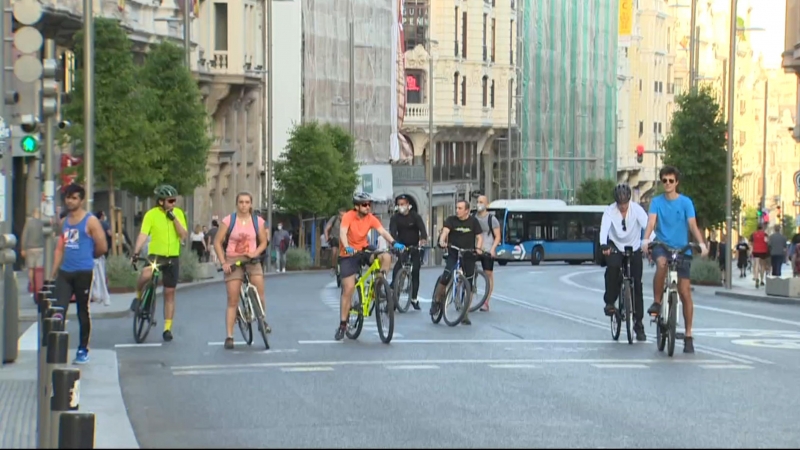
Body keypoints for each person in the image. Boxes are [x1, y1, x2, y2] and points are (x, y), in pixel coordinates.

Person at [643, 166, 708, 354]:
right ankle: (657, 302)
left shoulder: (686, 202)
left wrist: (701, 244)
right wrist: (646, 240)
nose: (668, 184)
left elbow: (693, 225)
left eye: (671, 180)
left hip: (682, 249)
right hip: (662, 245)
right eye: (664, 180)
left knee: (685, 292)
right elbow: (651, 223)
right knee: (661, 263)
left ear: (677, 182)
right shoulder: (656, 202)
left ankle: (688, 335)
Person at [335, 193, 405, 341]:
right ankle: (342, 324)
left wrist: (394, 243)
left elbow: (383, 232)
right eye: (364, 205)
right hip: (348, 253)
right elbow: (342, 232)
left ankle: (378, 286)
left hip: (364, 249)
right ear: (357, 206)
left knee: (385, 256)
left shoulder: (371, 218)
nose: (368, 207)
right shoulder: (348, 216)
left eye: (369, 204)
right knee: (348, 288)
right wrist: (347, 247)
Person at [51, 184, 108, 364]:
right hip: (65, 272)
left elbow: (102, 246)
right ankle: (56, 349)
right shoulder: (64, 222)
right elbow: (60, 248)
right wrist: (53, 273)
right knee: (58, 310)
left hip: (83, 272)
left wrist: (89, 257)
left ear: (81, 200)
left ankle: (83, 349)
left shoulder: (90, 221)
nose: (70, 201)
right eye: (68, 197)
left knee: (82, 310)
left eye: (74, 198)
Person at [130, 184, 189, 342]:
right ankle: (138, 296)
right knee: (145, 274)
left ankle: (167, 328)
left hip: (172, 257)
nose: (173, 203)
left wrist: (174, 218)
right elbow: (143, 234)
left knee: (169, 293)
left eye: (174, 200)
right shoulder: (151, 215)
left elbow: (183, 235)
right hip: (156, 255)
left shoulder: (178, 213)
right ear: (161, 202)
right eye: (170, 201)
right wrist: (136, 252)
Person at [213, 191, 270, 349]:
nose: (244, 205)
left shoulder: (257, 221)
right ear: (237, 204)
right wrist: (223, 262)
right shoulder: (228, 221)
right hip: (233, 260)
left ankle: (262, 320)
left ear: (251, 204)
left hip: (251, 259)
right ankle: (229, 336)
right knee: (232, 300)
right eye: (241, 202)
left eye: (247, 202)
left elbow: (263, 242)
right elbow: (217, 242)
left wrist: (255, 253)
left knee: (260, 290)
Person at [599, 183, 648, 341]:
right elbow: (604, 229)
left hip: (633, 246)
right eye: (620, 205)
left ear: (629, 201)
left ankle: (638, 324)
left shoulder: (637, 210)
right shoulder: (610, 211)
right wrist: (604, 245)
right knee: (612, 268)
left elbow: (648, 227)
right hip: (615, 246)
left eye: (625, 204)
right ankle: (610, 302)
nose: (622, 207)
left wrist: (649, 243)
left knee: (637, 285)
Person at [433, 200, 483, 326]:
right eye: (457, 208)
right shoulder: (451, 220)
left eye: (460, 208)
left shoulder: (473, 221)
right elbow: (445, 232)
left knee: (469, 285)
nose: (457, 210)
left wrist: (478, 248)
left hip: (468, 254)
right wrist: (441, 241)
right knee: (446, 276)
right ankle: (437, 301)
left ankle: (465, 313)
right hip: (454, 253)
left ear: (467, 210)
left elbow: (479, 237)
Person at [389, 195, 428, 310]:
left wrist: (423, 239)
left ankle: (414, 299)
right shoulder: (395, 218)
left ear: (408, 205)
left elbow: (422, 230)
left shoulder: (415, 216)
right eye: (399, 204)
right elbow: (393, 232)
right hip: (401, 246)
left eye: (403, 204)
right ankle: (393, 297)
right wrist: (395, 243)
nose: (401, 207)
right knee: (397, 270)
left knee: (415, 271)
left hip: (414, 246)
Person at [473, 195, 500, 312]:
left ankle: (486, 302)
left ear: (487, 205)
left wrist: (493, 248)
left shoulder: (492, 219)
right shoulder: (473, 218)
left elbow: (498, 236)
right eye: (478, 202)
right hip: (474, 248)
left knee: (488, 275)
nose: (479, 204)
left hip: (487, 249)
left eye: (481, 202)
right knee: (467, 269)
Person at [21, 207, 45, 295]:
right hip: (40, 248)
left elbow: (24, 235)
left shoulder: (28, 223)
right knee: (38, 269)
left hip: (30, 249)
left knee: (31, 269)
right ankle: (39, 287)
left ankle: (32, 285)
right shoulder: (42, 223)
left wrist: (23, 248)